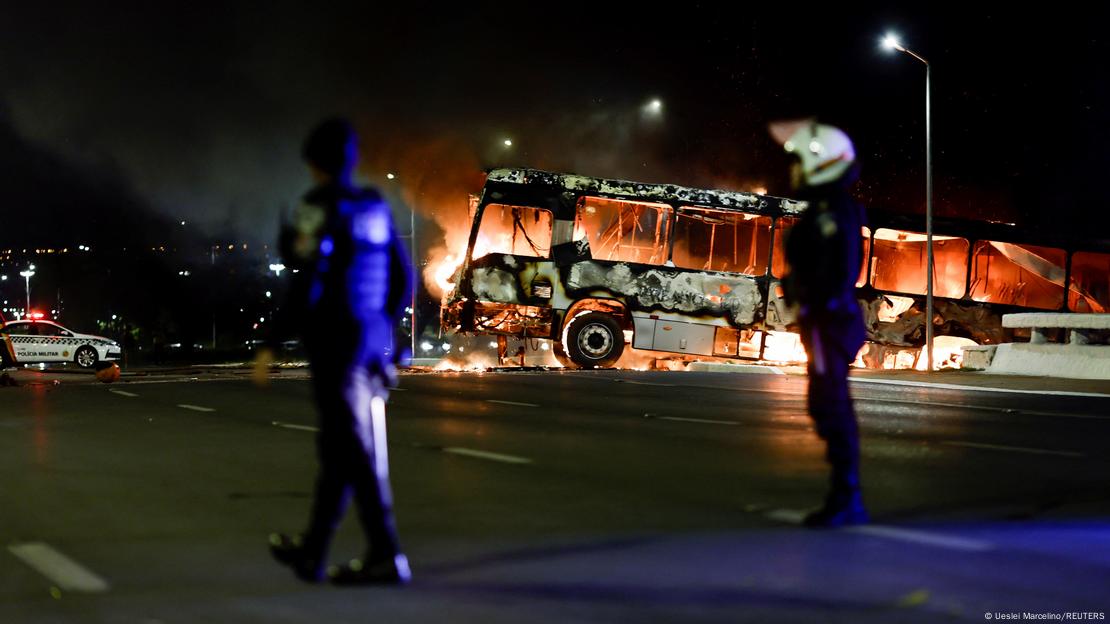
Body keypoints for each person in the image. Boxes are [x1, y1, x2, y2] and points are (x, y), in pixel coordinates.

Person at [267, 118, 415, 584]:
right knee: (340, 449)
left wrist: (271, 341)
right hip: (372, 343)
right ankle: (313, 552)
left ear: (314, 163)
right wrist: (388, 332)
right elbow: (403, 277)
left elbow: (307, 279)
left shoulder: (317, 206)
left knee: (354, 452)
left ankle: (386, 555)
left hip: (335, 345)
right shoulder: (374, 206)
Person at [770, 119, 869, 528]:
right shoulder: (827, 210)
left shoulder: (834, 213)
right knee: (824, 403)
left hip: (830, 323)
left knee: (831, 405)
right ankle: (844, 495)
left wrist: (811, 294)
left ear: (821, 163)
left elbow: (837, 271)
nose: (792, 170)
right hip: (823, 322)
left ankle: (847, 498)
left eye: (797, 161)